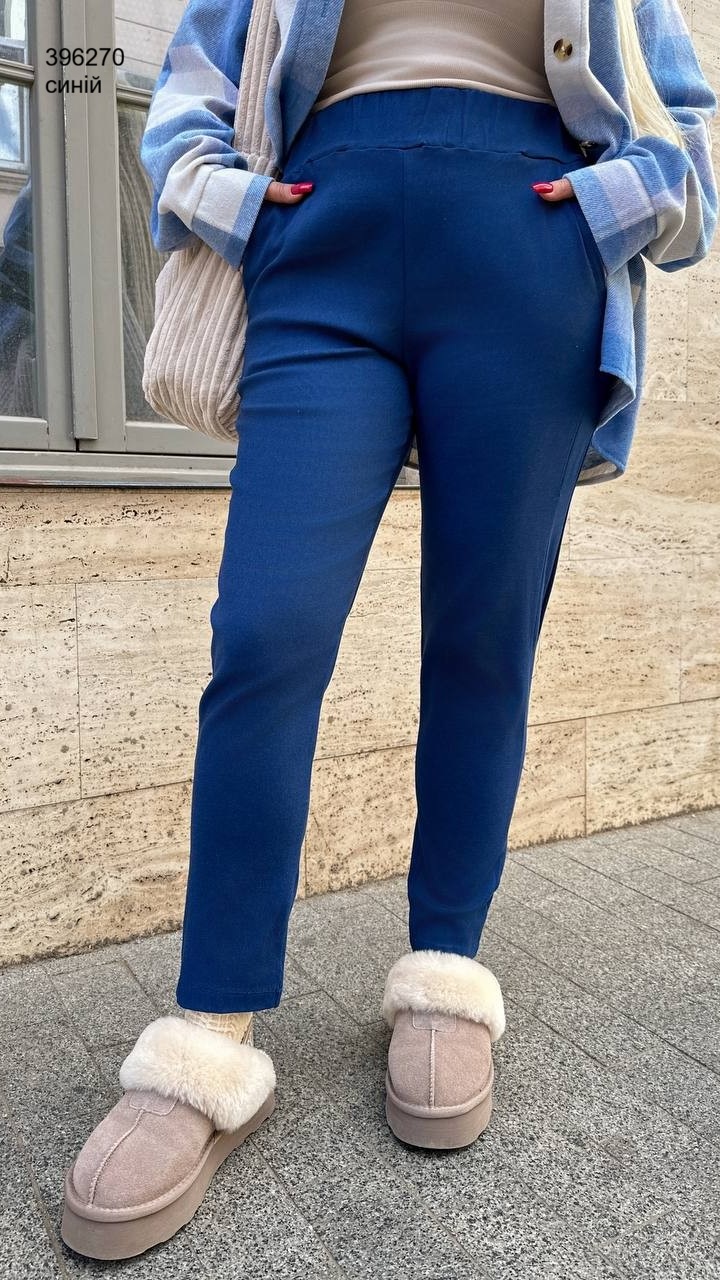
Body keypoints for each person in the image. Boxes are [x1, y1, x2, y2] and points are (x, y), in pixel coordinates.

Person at [59, 0, 717, 1260]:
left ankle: (444, 967)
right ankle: (208, 1031)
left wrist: (603, 208)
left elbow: (681, 116)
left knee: (484, 637)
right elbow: (192, 82)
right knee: (266, 631)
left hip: (530, 250)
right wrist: (238, 208)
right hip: (323, 241)